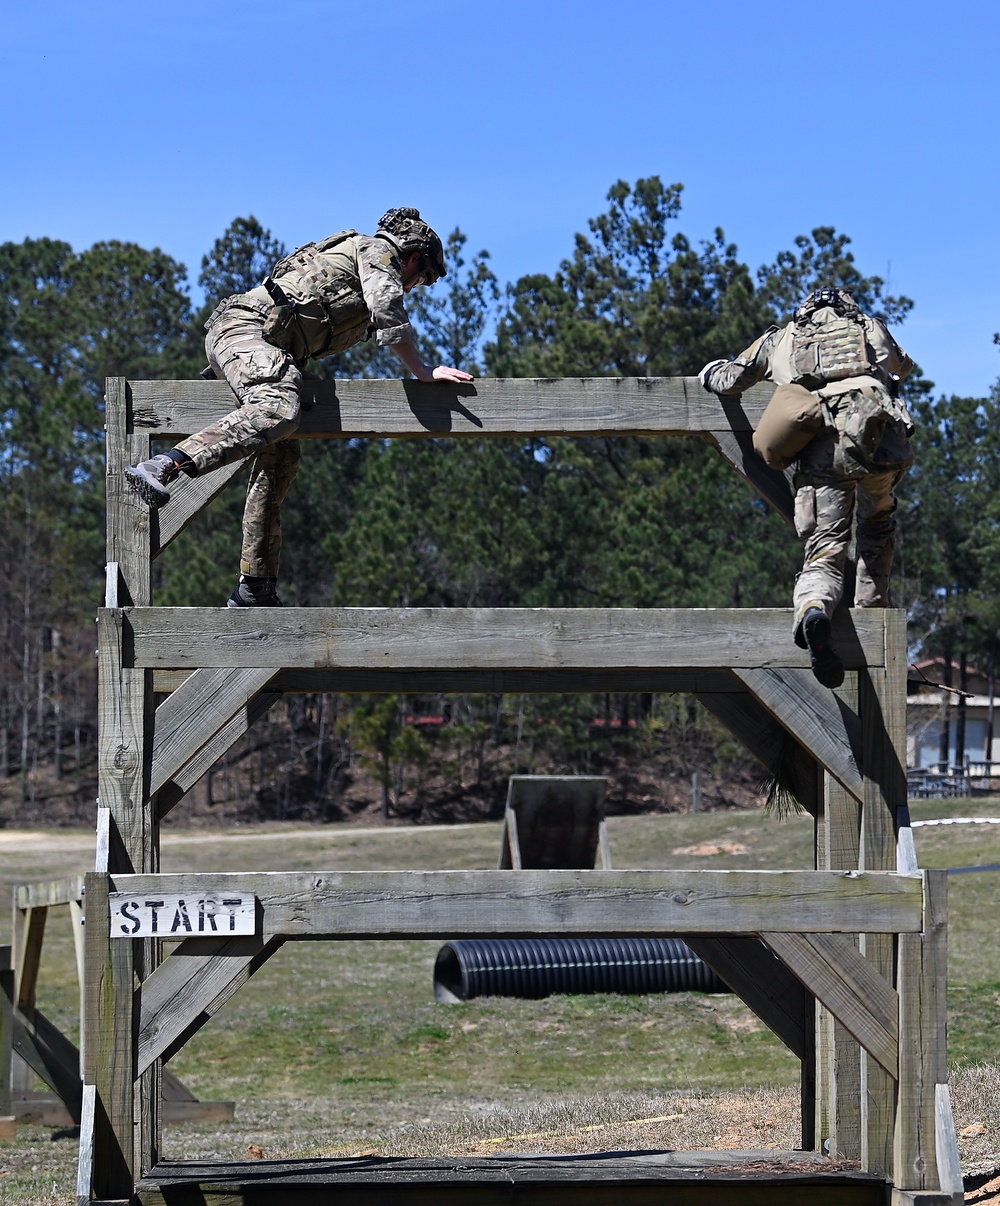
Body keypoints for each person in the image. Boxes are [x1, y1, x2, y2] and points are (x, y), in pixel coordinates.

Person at [125, 207, 473, 606]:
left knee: (282, 460)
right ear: (413, 257)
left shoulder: (356, 261)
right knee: (279, 407)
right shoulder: (378, 252)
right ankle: (163, 465)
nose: (414, 286)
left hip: (264, 344)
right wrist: (422, 371)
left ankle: (255, 586)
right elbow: (386, 306)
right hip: (244, 330)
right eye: (421, 279)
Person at [698, 287, 915, 688]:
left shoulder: (780, 339)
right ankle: (870, 614)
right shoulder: (868, 328)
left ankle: (814, 608)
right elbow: (903, 368)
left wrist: (708, 371)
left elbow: (730, 379)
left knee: (824, 552)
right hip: (878, 441)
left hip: (824, 452)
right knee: (877, 525)